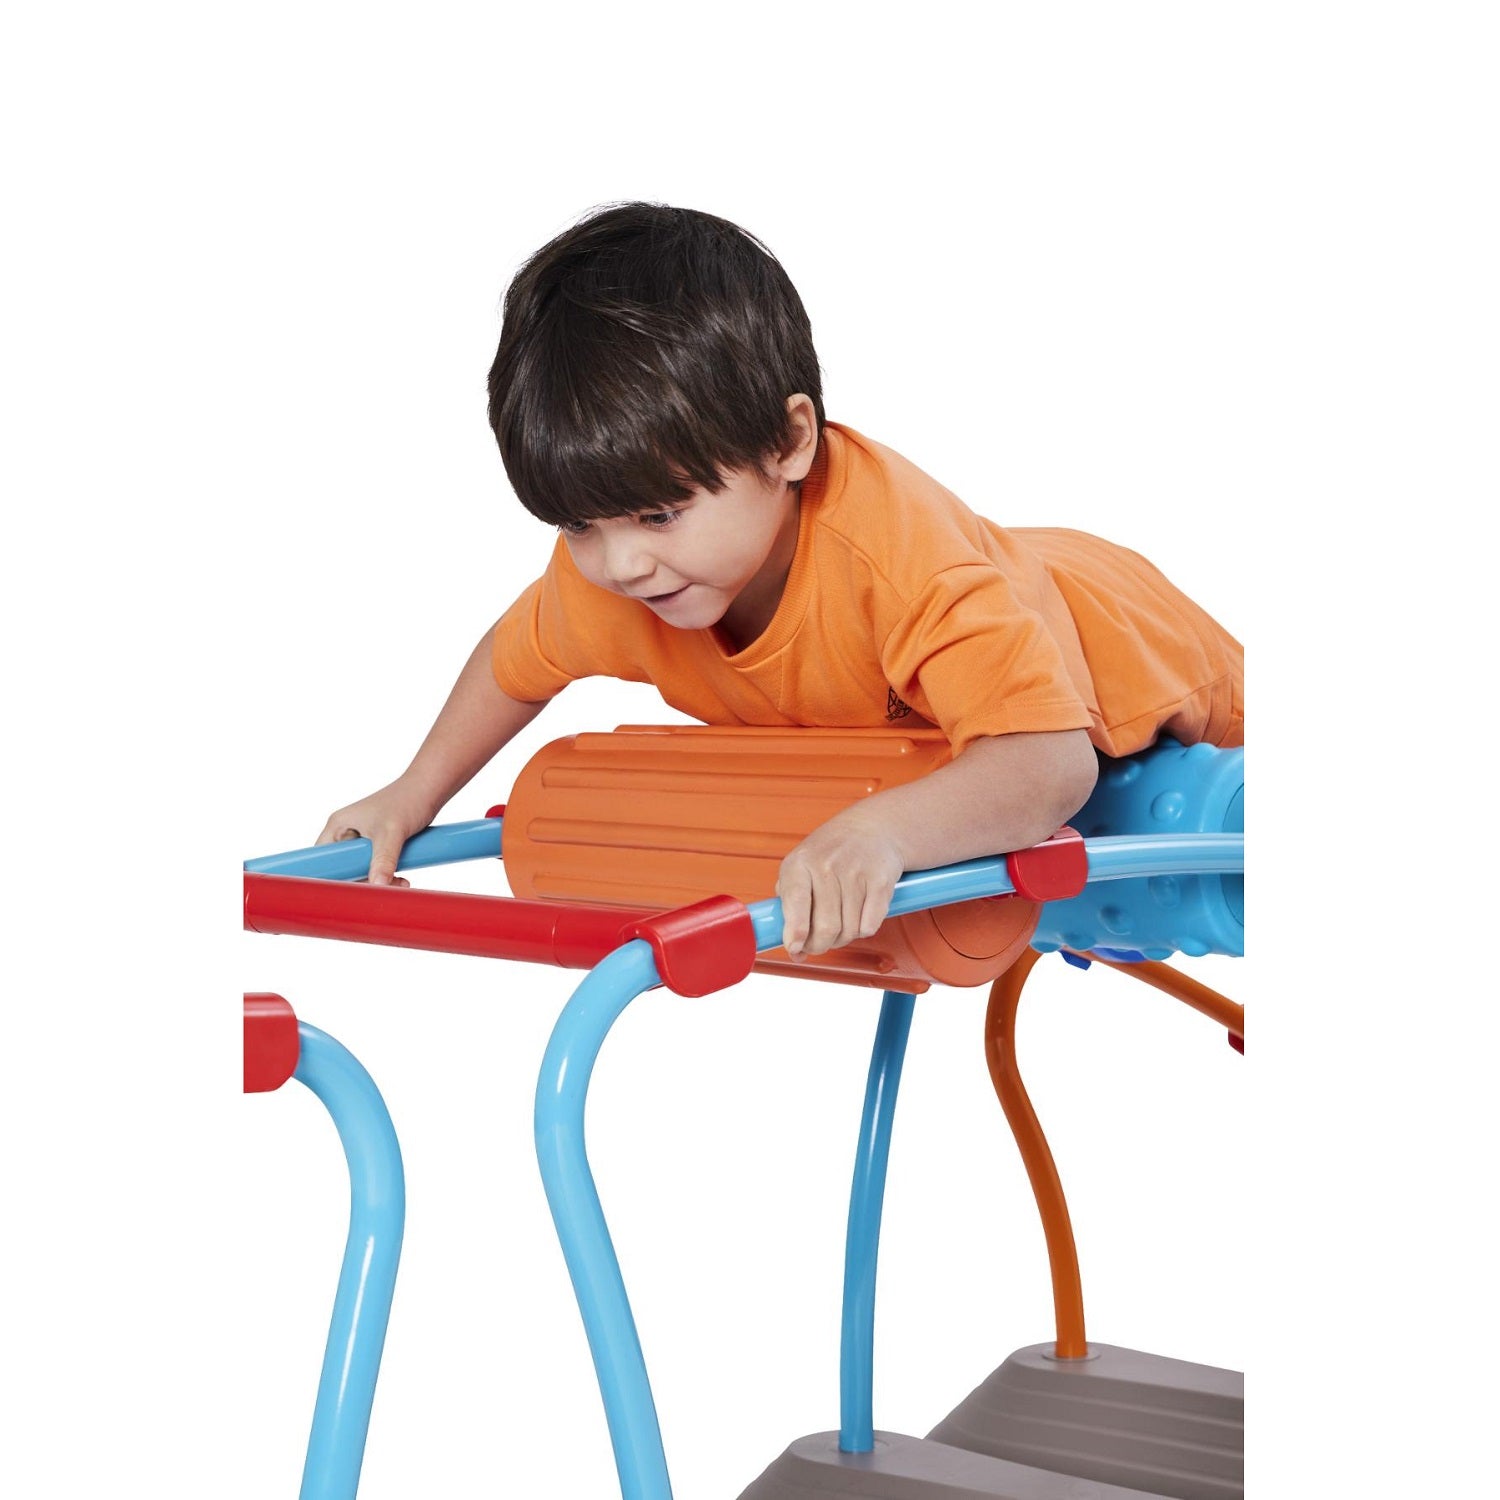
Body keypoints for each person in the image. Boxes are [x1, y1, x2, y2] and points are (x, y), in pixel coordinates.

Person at [318, 203, 1243, 959]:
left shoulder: (902, 568)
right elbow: (516, 661)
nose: (619, 563)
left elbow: (1048, 762)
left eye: (659, 514)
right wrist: (413, 792)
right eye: (577, 524)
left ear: (790, 442)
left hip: (1135, 643)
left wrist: (882, 831)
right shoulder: (620, 570)